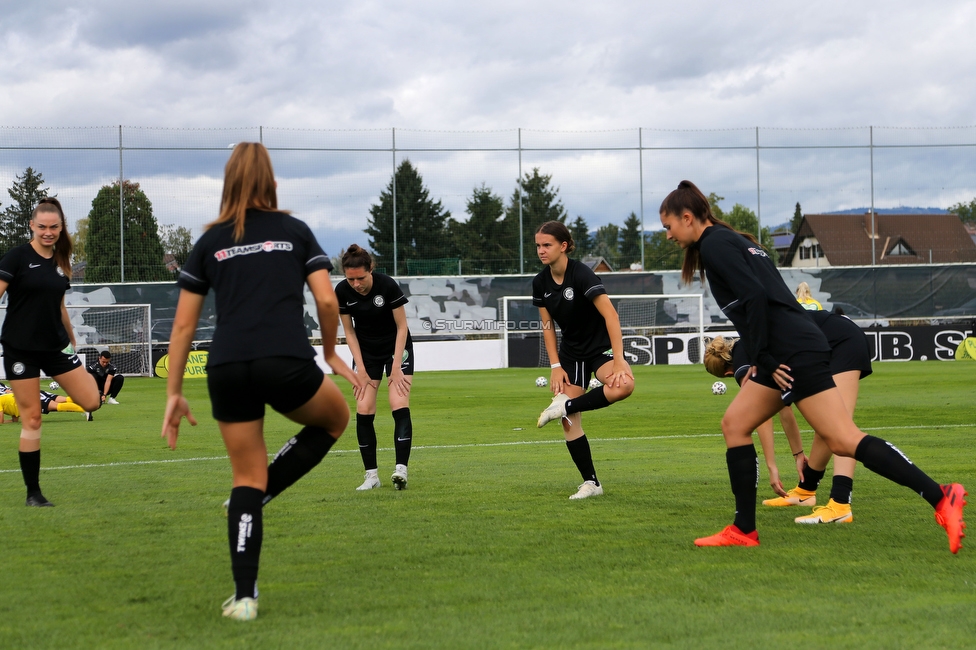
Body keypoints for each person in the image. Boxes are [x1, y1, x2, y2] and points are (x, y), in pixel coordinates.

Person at [659, 180, 966, 551]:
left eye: (668, 226)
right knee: (735, 425)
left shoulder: (715, 244)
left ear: (687, 218)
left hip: (791, 349)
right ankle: (743, 529)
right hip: (793, 343)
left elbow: (755, 297)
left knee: (842, 438)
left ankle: (941, 496)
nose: (668, 235)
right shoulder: (734, 240)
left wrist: (763, 358)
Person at [161, 142, 362, 621]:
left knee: (244, 479)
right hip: (285, 360)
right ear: (271, 180)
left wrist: (173, 392)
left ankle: (246, 596)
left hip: (227, 366)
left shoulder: (210, 241)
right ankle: (263, 493)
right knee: (335, 419)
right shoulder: (295, 231)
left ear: (228, 182)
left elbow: (184, 327)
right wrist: (331, 352)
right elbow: (328, 303)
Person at [0, 197, 101, 506]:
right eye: (41, 226)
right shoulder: (16, 258)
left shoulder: (61, 260)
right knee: (32, 419)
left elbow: (59, 306)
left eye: (53, 227)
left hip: (55, 349)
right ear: (32, 226)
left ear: (61, 227)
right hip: (20, 350)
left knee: (92, 400)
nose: (48, 232)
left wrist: (73, 341)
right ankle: (34, 494)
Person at [533, 221, 635, 499]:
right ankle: (591, 483)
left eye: (547, 245)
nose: (541, 251)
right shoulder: (540, 282)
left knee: (624, 385)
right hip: (571, 353)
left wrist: (619, 360)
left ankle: (565, 405)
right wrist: (555, 366)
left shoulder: (582, 274)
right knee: (569, 422)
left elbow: (611, 316)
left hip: (600, 348)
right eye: (538, 246)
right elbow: (547, 327)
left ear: (563, 246)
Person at [336, 244, 414, 491]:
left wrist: (396, 366)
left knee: (398, 402)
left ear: (371, 270)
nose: (356, 284)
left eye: (361, 278)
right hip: (366, 351)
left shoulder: (387, 285)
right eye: (351, 279)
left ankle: (401, 470)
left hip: (396, 347)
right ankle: (371, 476)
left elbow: (402, 327)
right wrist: (359, 368)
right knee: (364, 407)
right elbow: (349, 331)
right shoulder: (341, 291)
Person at [704, 336, 805, 499]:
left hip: (812, 354)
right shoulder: (746, 346)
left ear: (728, 372)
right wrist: (798, 454)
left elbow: (761, 416)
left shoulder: (741, 369)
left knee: (837, 433)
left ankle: (838, 501)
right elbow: (785, 409)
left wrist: (772, 467)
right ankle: (809, 493)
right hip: (809, 350)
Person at [0, 390, 91, 423]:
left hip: (30, 400)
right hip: (33, 393)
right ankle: (86, 399)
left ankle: (86, 409)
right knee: (63, 399)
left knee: (56, 406)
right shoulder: (4, 400)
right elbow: (14, 419)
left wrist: (4, 421)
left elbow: (0, 421)